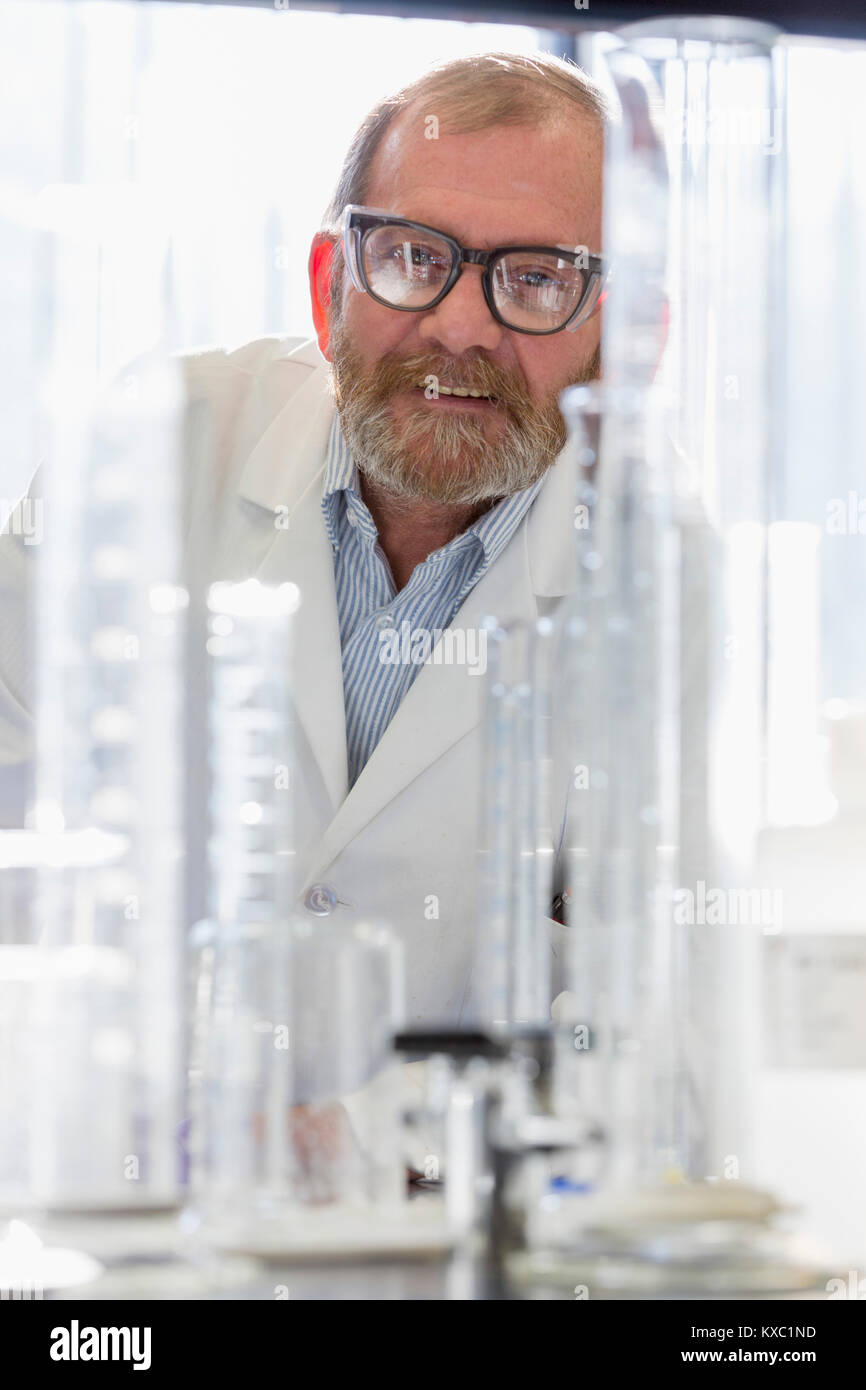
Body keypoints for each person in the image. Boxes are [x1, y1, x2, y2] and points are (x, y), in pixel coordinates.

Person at [0, 51, 607, 1024]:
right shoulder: (147, 451)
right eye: (412, 257)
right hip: (133, 1145)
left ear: (602, 331)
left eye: (532, 279)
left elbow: (658, 1029)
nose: (460, 327)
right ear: (331, 285)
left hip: (445, 1172)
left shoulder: (657, 565)